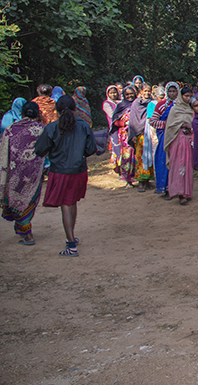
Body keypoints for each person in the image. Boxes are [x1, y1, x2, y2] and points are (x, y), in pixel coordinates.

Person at [34, 95, 97, 256]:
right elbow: (90, 150)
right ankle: (72, 237)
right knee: (72, 201)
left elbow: (40, 150)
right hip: (78, 170)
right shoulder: (83, 126)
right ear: (75, 108)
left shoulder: (52, 127)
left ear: (57, 110)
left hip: (60, 171)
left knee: (65, 205)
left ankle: (71, 244)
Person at [1, 101, 45, 245]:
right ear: (38, 113)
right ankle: (24, 229)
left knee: (16, 199)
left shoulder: (11, 129)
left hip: (14, 173)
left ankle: (28, 234)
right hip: (34, 173)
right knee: (29, 200)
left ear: (21, 113)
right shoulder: (41, 129)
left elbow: (3, 151)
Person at [163, 84, 194, 205]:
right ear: (181, 96)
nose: (188, 98)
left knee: (187, 165)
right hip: (177, 140)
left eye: (190, 96)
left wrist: (190, 129)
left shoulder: (191, 109)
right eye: (186, 96)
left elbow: (194, 123)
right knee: (178, 164)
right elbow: (170, 126)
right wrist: (182, 126)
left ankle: (187, 192)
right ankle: (180, 192)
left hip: (188, 140)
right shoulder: (175, 109)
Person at [151, 83, 178, 197]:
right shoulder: (161, 105)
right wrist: (167, 125)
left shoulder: (182, 105)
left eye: (174, 91)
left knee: (178, 163)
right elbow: (152, 121)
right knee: (164, 161)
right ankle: (165, 187)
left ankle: (178, 188)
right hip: (165, 138)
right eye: (170, 91)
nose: (172, 93)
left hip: (178, 137)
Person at [110, 86, 136, 187]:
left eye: (131, 94)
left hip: (137, 134)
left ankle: (138, 178)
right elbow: (115, 121)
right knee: (127, 156)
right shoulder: (121, 106)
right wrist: (124, 123)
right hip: (125, 136)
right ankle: (127, 179)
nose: (130, 96)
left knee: (137, 155)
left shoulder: (138, 104)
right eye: (127, 94)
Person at [102, 85, 120, 164]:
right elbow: (112, 115)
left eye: (115, 92)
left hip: (123, 128)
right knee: (116, 147)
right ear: (108, 94)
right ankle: (117, 166)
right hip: (114, 128)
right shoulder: (106, 104)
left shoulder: (121, 102)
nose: (113, 95)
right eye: (111, 93)